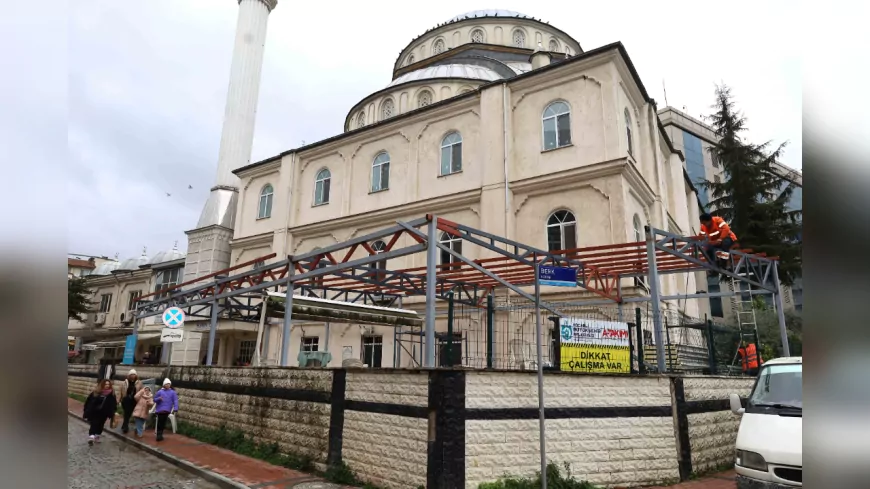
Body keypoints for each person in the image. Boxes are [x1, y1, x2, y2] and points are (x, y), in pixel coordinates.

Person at [699, 213, 738, 277]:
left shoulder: (718, 220)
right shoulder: (703, 226)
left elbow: (726, 229)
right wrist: (698, 241)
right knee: (708, 249)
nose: (704, 225)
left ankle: (725, 264)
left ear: (710, 220)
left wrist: (720, 239)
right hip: (715, 241)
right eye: (703, 223)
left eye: (705, 223)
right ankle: (713, 267)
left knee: (724, 246)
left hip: (727, 237)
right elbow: (701, 235)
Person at [83, 379, 118, 446]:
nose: (107, 386)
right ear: (102, 385)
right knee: (94, 424)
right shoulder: (96, 392)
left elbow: (113, 404)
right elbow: (89, 401)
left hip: (104, 413)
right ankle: (91, 437)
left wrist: (113, 412)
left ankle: (97, 436)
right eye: (105, 384)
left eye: (108, 384)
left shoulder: (112, 394)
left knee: (100, 424)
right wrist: (86, 410)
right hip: (95, 412)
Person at [117, 369, 143, 434]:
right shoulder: (124, 383)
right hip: (126, 400)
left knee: (128, 413)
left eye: (134, 374)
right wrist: (118, 400)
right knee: (127, 413)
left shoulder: (139, 383)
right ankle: (125, 426)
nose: (133, 376)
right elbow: (120, 392)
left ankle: (125, 426)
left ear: (136, 375)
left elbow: (142, 391)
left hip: (134, 400)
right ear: (129, 375)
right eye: (131, 374)